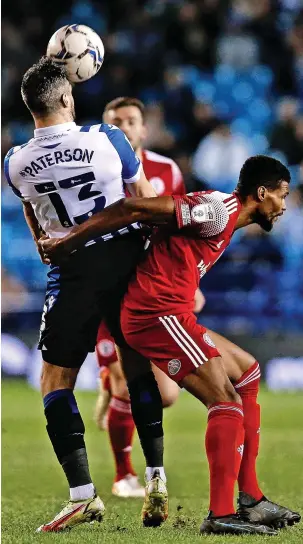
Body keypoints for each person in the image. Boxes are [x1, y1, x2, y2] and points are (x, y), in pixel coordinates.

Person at [41, 155, 300, 535]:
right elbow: (133, 207)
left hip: (174, 313)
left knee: (247, 372)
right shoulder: (214, 211)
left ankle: (252, 499)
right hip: (154, 315)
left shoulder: (226, 221)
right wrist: (70, 242)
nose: (283, 207)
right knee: (225, 400)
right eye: (282, 196)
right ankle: (221, 514)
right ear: (262, 194)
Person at [3, 57, 157, 533]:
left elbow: (32, 210)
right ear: (69, 97)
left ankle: (82, 495)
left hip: (71, 274)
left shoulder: (15, 163)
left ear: (29, 107)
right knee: (136, 370)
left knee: (55, 382)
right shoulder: (107, 139)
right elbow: (145, 199)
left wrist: (42, 242)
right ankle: (157, 478)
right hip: (124, 260)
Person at [95, 97, 204, 498]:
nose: (124, 127)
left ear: (143, 129)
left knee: (168, 394)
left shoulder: (166, 170)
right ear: (106, 131)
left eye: (131, 121)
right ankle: (124, 475)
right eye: (115, 122)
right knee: (128, 380)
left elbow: (179, 234)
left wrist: (192, 286)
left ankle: (112, 384)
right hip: (108, 287)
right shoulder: (94, 171)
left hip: (152, 291)